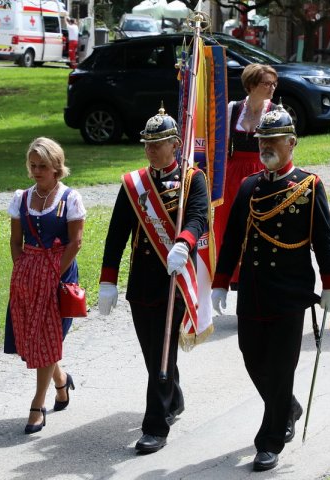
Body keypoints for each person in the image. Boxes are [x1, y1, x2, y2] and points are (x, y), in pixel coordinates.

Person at [211, 106, 330, 472]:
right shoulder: (249, 186)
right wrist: (221, 283)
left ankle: (269, 441)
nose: (266, 146)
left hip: (289, 294)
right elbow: (233, 237)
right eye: (261, 140)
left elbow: (324, 241)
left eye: (272, 140)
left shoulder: (308, 186)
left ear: (291, 142)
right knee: (253, 358)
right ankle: (287, 406)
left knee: (281, 367)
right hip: (252, 290)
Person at [97, 108, 208, 454]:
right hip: (142, 281)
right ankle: (172, 395)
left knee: (162, 350)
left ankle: (155, 426)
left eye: (158, 144)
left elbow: (198, 217)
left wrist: (184, 242)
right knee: (152, 352)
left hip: (172, 277)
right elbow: (116, 234)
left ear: (175, 144)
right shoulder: (134, 185)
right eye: (147, 144)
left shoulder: (193, 179)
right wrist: (108, 280)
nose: (151, 150)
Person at [8, 137, 85, 434]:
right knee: (32, 335)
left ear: (56, 167)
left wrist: (53, 272)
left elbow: (75, 242)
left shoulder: (70, 198)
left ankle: (37, 404)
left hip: (60, 273)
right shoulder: (22, 198)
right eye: (33, 165)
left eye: (43, 166)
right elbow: (16, 241)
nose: (36, 171)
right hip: (29, 274)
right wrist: (23, 268)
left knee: (48, 336)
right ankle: (61, 381)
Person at [213, 63, 277, 288]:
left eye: (273, 83)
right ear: (250, 85)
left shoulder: (278, 111)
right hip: (233, 176)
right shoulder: (233, 109)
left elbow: (287, 149)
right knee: (230, 226)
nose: (271, 88)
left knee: (259, 227)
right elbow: (219, 145)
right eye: (266, 83)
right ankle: (233, 277)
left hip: (263, 173)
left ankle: (256, 277)